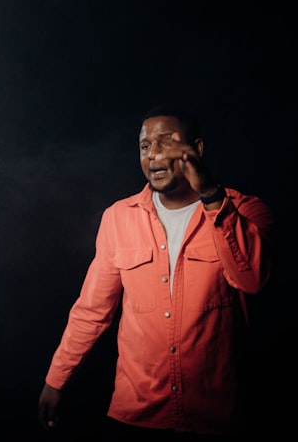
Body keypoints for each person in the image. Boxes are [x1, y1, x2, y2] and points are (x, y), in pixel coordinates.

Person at [38, 103, 275, 440]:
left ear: (197, 149)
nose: (153, 154)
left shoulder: (246, 210)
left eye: (166, 142)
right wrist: (56, 379)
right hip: (136, 416)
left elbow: (252, 280)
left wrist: (210, 195)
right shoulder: (119, 218)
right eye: (145, 146)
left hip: (217, 417)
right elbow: (92, 311)